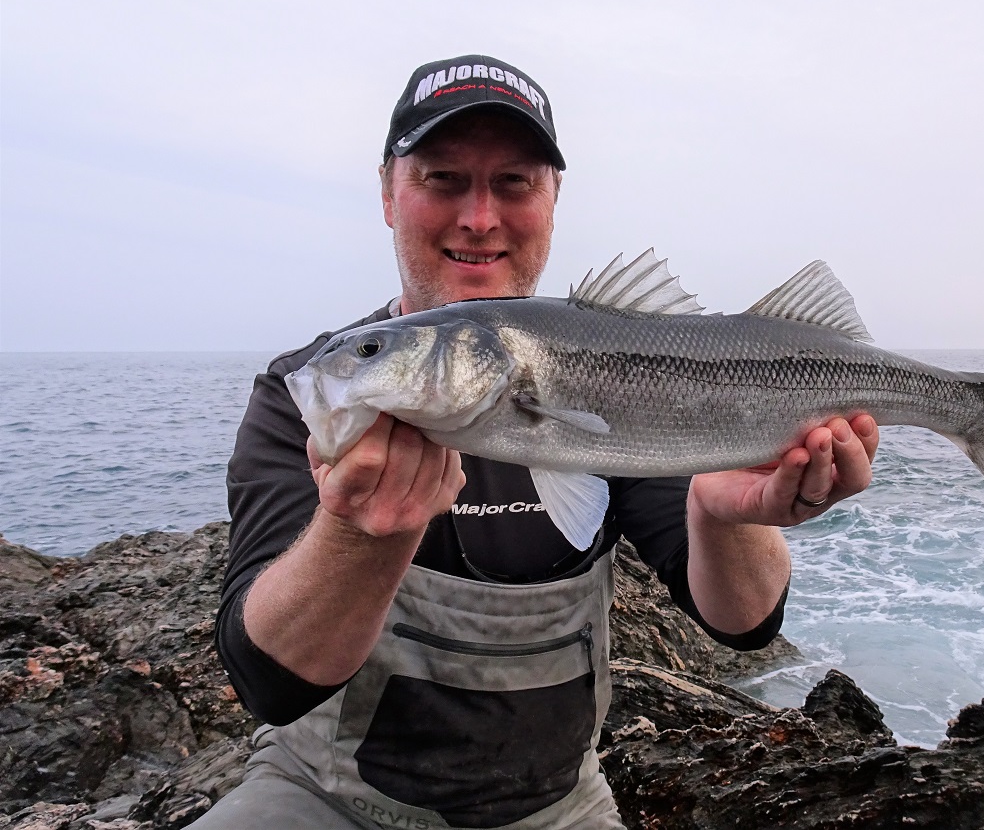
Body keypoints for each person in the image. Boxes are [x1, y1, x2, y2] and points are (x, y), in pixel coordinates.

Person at [201, 55, 879, 830]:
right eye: (443, 179)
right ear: (388, 192)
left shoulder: (623, 368)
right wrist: (356, 535)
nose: (479, 217)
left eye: (515, 183)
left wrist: (725, 514)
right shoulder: (306, 391)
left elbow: (745, 623)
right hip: (320, 796)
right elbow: (268, 683)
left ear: (554, 198)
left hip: (558, 807)